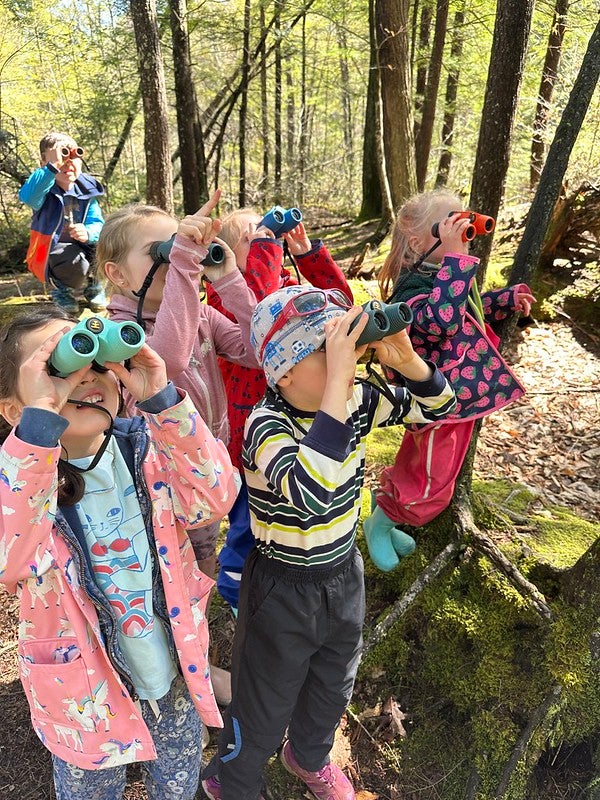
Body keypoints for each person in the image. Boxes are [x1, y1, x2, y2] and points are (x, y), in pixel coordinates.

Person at [201, 284, 456, 800]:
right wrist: (341, 383)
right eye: (328, 350)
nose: (348, 361)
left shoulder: (354, 398)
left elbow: (438, 408)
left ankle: (308, 757)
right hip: (281, 588)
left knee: (333, 683)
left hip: (342, 573)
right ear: (284, 372)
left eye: (347, 347)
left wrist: (407, 361)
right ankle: (232, 781)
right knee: (265, 699)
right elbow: (311, 493)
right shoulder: (266, 426)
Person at [0, 306, 240, 799]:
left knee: (178, 779)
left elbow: (215, 497)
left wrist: (163, 399)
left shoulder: (151, 447)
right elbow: (10, 557)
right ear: (14, 410)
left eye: (96, 362)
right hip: (84, 697)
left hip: (175, 668)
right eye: (58, 369)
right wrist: (38, 428)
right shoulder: (19, 483)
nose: (86, 377)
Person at [362, 190, 536, 571]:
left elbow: (465, 310)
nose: (462, 230)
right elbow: (441, 322)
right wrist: (458, 259)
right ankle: (382, 521)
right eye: (449, 224)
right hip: (434, 398)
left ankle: (385, 511)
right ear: (417, 243)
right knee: (432, 478)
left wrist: (504, 300)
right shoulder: (410, 287)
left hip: (451, 396)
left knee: (419, 464)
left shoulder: (441, 276)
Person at [96, 193, 260, 585]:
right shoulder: (117, 334)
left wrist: (229, 280)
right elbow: (168, 361)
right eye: (163, 250)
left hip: (203, 465)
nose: (176, 258)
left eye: (179, 245)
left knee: (203, 559)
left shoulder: (202, 315)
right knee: (166, 566)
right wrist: (185, 261)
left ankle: (199, 616)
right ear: (118, 274)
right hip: (154, 478)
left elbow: (260, 351)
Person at [205, 208, 353, 614]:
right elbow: (259, 313)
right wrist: (267, 243)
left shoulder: (285, 286)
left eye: (267, 238)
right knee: (246, 525)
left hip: (300, 425)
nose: (264, 243)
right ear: (226, 255)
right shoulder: (220, 297)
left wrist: (307, 255)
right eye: (251, 239)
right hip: (250, 443)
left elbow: (343, 305)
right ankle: (234, 590)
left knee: (292, 510)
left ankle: (284, 584)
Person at [19, 131, 107, 313]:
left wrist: (88, 232)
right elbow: (28, 197)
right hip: (54, 251)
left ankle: (95, 287)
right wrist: (52, 167)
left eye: (72, 156)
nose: (68, 162)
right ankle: (61, 291)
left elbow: (98, 224)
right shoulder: (43, 190)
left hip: (85, 247)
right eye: (62, 155)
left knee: (112, 245)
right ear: (44, 163)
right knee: (75, 262)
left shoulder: (87, 189)